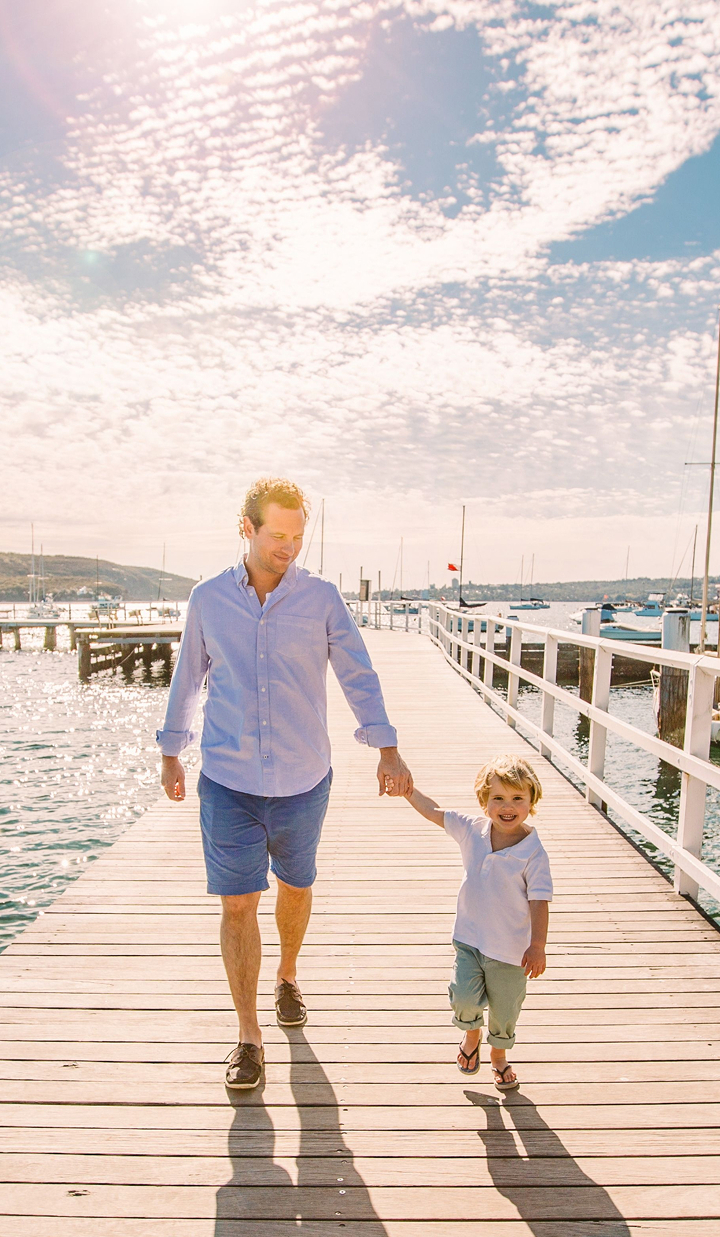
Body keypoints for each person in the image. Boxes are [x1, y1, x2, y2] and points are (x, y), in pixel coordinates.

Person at [157, 477, 412, 1090]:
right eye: (278, 535)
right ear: (246, 527)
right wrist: (171, 752)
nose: (290, 547)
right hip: (228, 777)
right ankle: (248, 1035)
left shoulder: (322, 599)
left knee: (296, 888)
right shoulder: (208, 599)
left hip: (304, 777)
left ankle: (288, 974)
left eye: (299, 536)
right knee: (238, 904)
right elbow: (187, 679)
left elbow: (358, 674)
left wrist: (388, 748)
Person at [389, 754, 551, 1091]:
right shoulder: (473, 830)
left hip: (511, 953)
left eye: (518, 798)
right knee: (463, 997)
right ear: (484, 801)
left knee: (505, 1011)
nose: (508, 806)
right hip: (470, 940)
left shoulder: (533, 853)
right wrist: (408, 792)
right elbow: (435, 813)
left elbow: (539, 901)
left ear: (532, 801)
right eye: (499, 799)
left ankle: (499, 1057)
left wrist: (538, 946)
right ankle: (471, 1032)